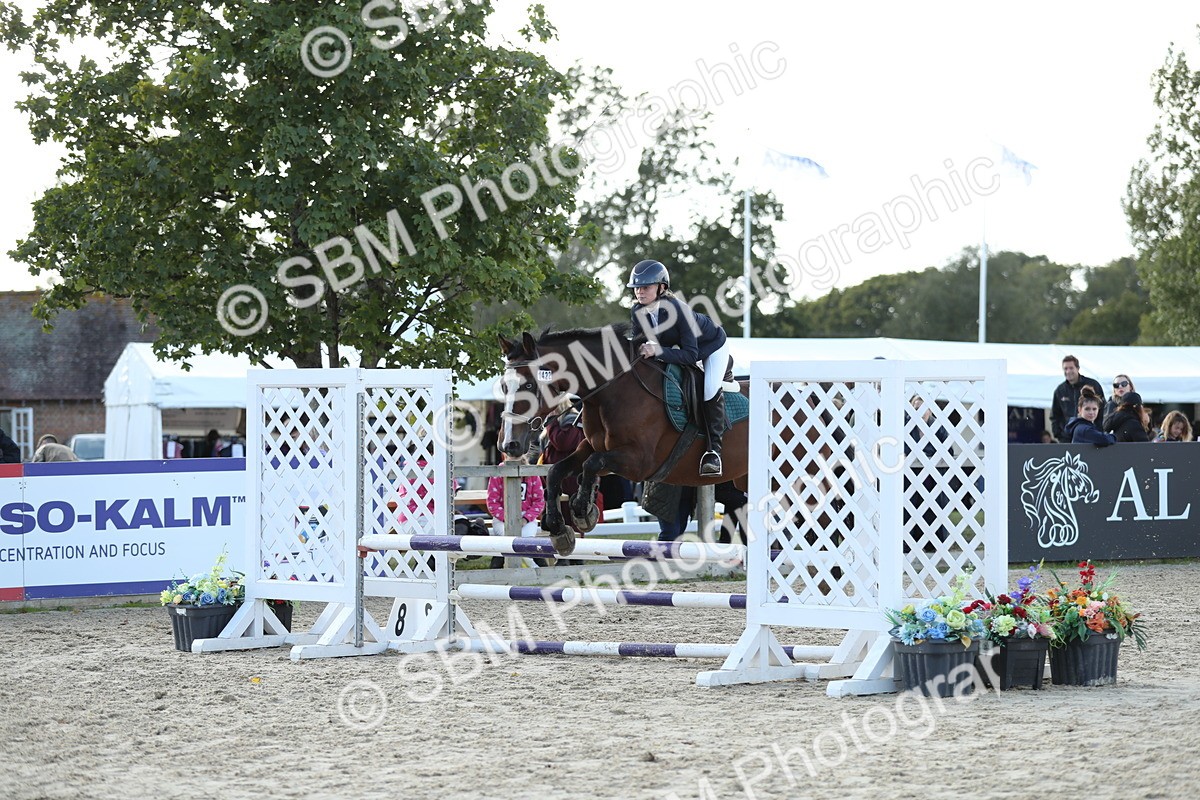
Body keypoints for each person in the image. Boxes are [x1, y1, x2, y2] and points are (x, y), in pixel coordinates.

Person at [628, 259, 733, 477]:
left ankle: (714, 452)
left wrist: (657, 351)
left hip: (711, 347)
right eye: (637, 287)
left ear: (661, 287)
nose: (640, 292)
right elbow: (639, 345)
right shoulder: (637, 310)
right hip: (679, 348)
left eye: (645, 287)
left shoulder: (679, 310)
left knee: (709, 389)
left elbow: (690, 355)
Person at [486, 451, 548, 567]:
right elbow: (492, 502)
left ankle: (535, 568)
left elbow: (539, 501)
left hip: (526, 517)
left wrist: (525, 518)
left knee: (527, 541)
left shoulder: (532, 473)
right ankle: (534, 568)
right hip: (503, 517)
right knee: (509, 540)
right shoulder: (498, 472)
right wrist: (507, 518)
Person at [1050, 355, 1104, 443]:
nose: (1068, 371)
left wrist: (1098, 431)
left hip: (1091, 435)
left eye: (1071, 368)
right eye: (1065, 368)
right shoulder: (1060, 390)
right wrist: (1059, 435)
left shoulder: (1093, 384)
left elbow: (1102, 410)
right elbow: (1055, 416)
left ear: (1078, 368)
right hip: (1067, 439)